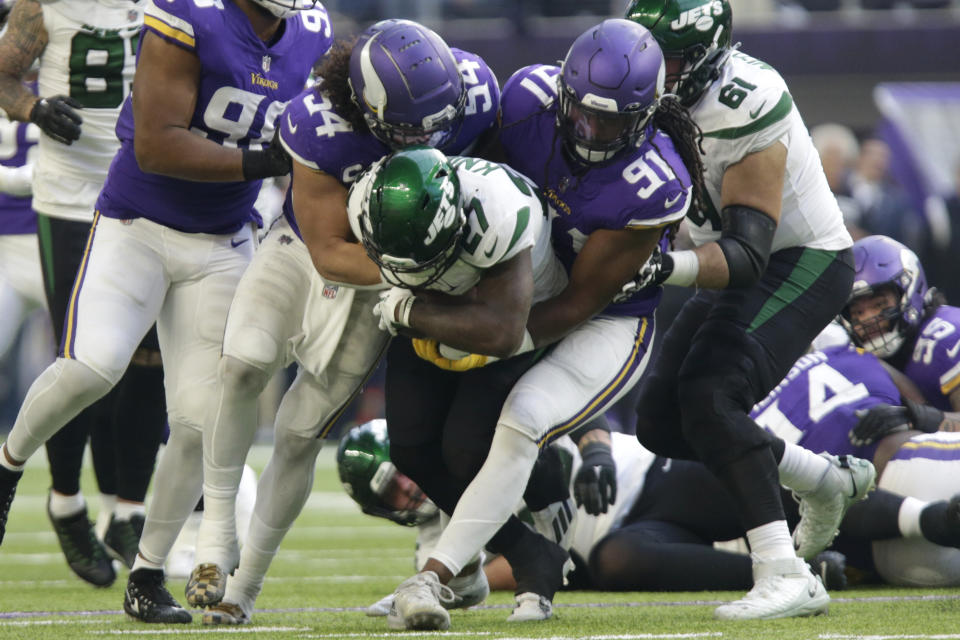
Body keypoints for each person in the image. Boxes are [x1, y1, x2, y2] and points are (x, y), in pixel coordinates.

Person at [0, 0, 333, 624]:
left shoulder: (312, 31)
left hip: (222, 241)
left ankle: (147, 575)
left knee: (197, 421)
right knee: (93, 368)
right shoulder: (190, 16)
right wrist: (260, 162)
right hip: (137, 225)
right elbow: (155, 145)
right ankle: (7, 467)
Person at [381, 18, 704, 630]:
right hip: (512, 288)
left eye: (610, 120)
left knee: (515, 423)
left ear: (645, 113)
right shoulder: (528, 100)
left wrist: (490, 338)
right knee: (424, 440)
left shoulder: (653, 183)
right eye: (582, 112)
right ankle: (522, 551)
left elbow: (579, 301)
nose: (590, 129)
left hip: (602, 318)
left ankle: (435, 575)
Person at [192, 19, 504, 627]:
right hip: (313, 248)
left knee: (300, 432)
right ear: (364, 108)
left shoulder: (476, 94)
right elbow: (330, 249)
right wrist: (414, 277)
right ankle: (212, 541)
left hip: (395, 280)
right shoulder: (318, 123)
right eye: (413, 127)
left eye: (443, 119)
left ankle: (244, 589)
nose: (433, 135)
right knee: (242, 364)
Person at [625, 0, 875, 620]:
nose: (655, 71)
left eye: (671, 57)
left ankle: (786, 572)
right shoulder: (647, 91)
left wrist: (662, 267)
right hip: (727, 263)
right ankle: (819, 478)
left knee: (713, 395)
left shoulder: (747, 97)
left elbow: (745, 254)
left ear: (707, 53)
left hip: (801, 259)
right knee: (660, 421)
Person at [0, 0, 172, 588]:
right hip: (72, 199)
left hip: (148, 193)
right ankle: (66, 501)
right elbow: (3, 72)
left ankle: (126, 509)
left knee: (149, 362)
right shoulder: (43, 4)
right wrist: (33, 106)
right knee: (83, 363)